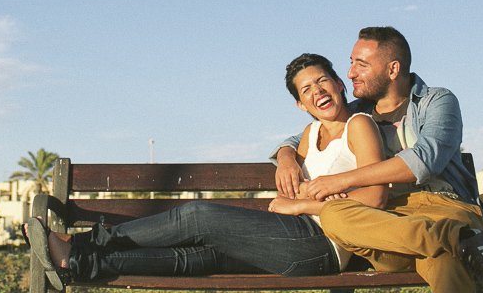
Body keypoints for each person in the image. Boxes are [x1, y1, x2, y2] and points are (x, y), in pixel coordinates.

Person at [26, 53, 386, 292]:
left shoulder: (359, 125)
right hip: (295, 238)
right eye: (307, 89)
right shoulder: (310, 135)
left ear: (339, 83)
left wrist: (305, 205)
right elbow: (295, 192)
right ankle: (79, 263)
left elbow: (375, 198)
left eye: (323, 81)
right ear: (299, 104)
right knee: (199, 257)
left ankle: (84, 243)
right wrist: (288, 155)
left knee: (199, 216)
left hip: (324, 246)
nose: (317, 91)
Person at [271, 26, 483, 293]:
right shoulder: (358, 111)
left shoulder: (436, 101)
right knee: (335, 216)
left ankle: (457, 238)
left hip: (444, 207)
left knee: (444, 259)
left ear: (392, 70)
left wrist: (340, 181)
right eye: (350, 63)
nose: (350, 74)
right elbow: (301, 137)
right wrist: (287, 156)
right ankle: (461, 240)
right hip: (388, 221)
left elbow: (424, 160)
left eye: (361, 65)